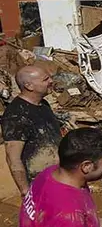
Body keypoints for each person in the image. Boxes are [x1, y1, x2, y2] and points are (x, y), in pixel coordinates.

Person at [3, 66, 64, 197]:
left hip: (57, 178)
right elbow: (13, 158)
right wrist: (25, 191)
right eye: (45, 79)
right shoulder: (17, 115)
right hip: (39, 184)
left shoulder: (44, 105)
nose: (51, 81)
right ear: (29, 86)